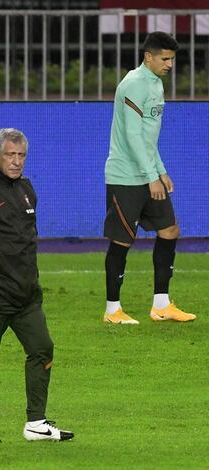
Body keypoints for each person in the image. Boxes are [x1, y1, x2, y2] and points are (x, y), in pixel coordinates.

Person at [0, 128, 73, 443]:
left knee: (42, 348)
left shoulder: (26, 189)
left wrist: (32, 284)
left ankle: (36, 422)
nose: (17, 161)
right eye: (11, 154)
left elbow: (27, 243)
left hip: (26, 296)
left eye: (21, 155)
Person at [102, 32, 195, 325]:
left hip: (147, 173)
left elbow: (147, 136)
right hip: (125, 177)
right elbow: (131, 136)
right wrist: (150, 176)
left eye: (172, 59)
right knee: (122, 240)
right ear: (148, 57)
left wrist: (161, 171)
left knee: (169, 230)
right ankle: (112, 310)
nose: (170, 64)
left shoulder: (156, 84)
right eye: (165, 59)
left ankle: (161, 305)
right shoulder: (132, 84)